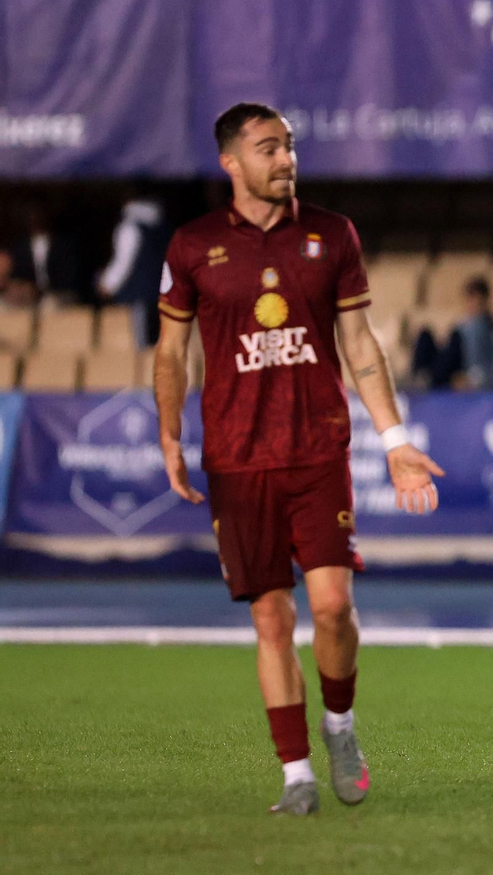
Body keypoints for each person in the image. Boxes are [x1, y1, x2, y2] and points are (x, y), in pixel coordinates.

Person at [152, 103, 445, 816]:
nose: (285, 158)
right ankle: (296, 777)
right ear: (231, 162)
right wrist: (168, 435)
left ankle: (339, 725)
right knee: (272, 620)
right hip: (237, 459)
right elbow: (170, 352)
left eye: (289, 146)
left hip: (318, 450)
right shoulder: (192, 246)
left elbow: (360, 344)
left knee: (334, 606)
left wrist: (396, 440)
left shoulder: (331, 233)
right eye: (268, 148)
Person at [97, 184, 172, 350]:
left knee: (142, 349)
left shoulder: (131, 226)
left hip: (140, 297)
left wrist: (106, 285)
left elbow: (124, 263)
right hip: (164, 297)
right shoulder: (162, 225)